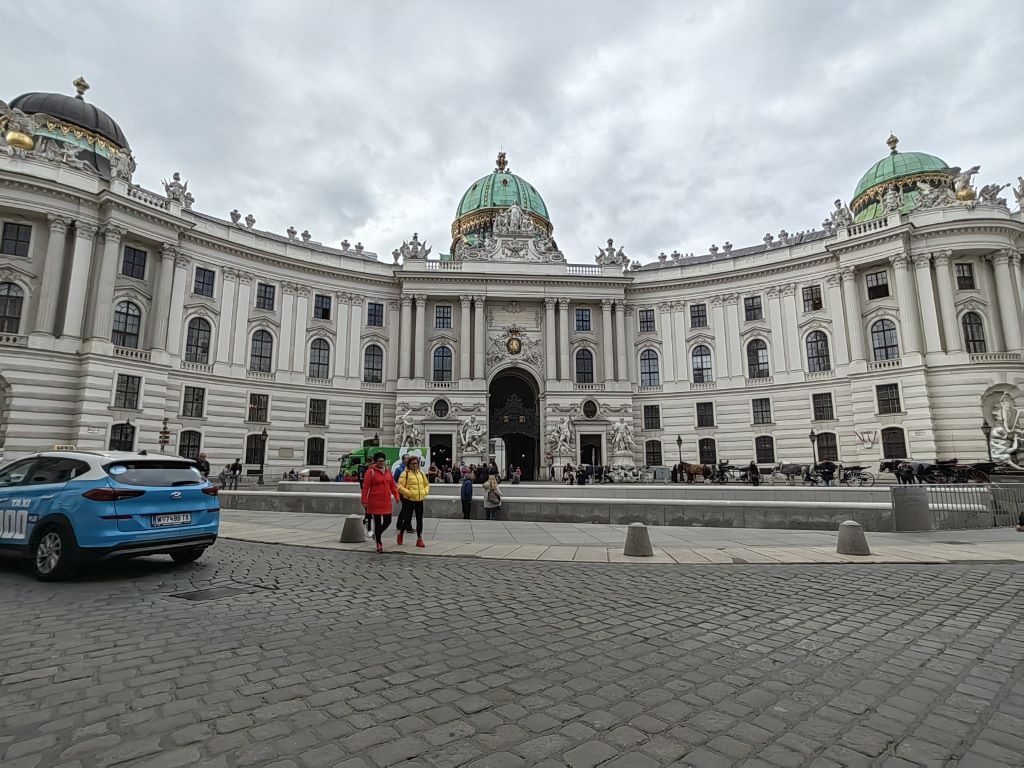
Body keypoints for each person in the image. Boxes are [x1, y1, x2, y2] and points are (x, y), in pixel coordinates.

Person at [360, 451, 400, 553]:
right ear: (375, 462)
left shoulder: (387, 472)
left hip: (386, 501)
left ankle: (377, 534)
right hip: (374, 501)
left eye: (383, 461)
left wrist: (396, 496)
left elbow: (392, 485)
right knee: (377, 522)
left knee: (388, 521)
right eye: (379, 461)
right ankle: (379, 543)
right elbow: (365, 487)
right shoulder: (371, 472)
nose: (382, 463)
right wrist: (364, 500)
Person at [397, 455, 430, 547]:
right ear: (409, 464)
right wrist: (409, 493)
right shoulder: (405, 474)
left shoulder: (421, 473)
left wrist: (424, 492)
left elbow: (426, 484)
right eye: (413, 463)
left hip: (419, 499)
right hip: (409, 500)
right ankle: (401, 532)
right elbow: (399, 486)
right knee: (407, 520)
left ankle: (419, 538)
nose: (415, 465)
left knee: (420, 520)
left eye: (416, 463)